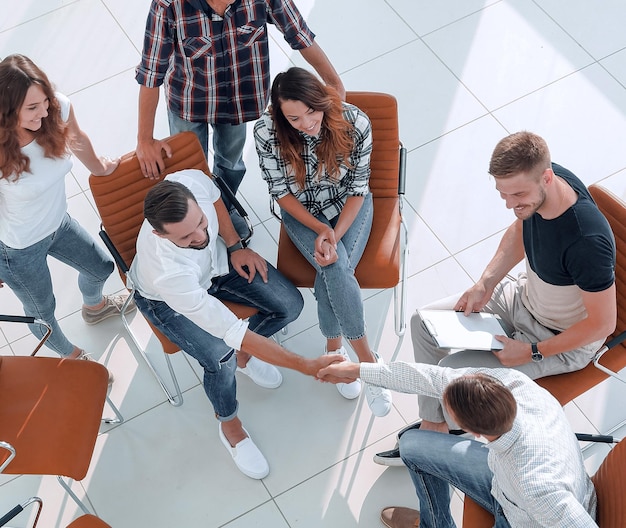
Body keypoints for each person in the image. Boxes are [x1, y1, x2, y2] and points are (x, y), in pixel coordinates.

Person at [375, 130, 616, 464]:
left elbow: (603, 323)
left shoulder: (586, 242)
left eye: (517, 194)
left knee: (450, 376)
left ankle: (435, 435)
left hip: (556, 339)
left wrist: (532, 351)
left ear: (546, 177)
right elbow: (521, 227)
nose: (509, 203)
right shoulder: (541, 185)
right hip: (521, 299)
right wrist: (486, 283)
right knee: (423, 324)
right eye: (503, 194)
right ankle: (436, 428)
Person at [128, 168, 340, 479]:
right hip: (166, 301)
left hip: (217, 264)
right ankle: (230, 425)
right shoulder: (168, 274)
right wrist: (306, 365)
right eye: (186, 237)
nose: (200, 237)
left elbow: (215, 200)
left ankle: (246, 355)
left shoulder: (189, 182)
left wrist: (234, 245)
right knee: (220, 357)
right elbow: (232, 331)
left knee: (290, 305)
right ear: (160, 234)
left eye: (200, 224)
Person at [134, 0, 346, 233]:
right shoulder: (168, 5)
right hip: (189, 100)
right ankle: (198, 219)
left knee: (231, 163)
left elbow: (299, 35)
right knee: (189, 169)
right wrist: (145, 139)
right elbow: (151, 74)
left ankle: (224, 208)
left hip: (238, 100)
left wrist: (334, 83)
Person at [253, 67, 393, 417]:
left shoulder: (355, 122)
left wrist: (334, 235)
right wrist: (319, 228)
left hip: (350, 208)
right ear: (280, 115)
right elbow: (282, 194)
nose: (306, 122)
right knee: (335, 266)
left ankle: (335, 350)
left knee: (333, 264)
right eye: (294, 117)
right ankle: (368, 363)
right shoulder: (265, 132)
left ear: (323, 100)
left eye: (312, 111)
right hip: (302, 214)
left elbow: (359, 189)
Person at [318, 360, 598, 527]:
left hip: (526, 517)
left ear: (469, 431)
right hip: (505, 484)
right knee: (413, 447)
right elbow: (431, 378)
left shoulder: (536, 486)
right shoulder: (515, 384)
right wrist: (357, 370)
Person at [0, 54, 134, 368]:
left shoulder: (56, 109)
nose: (44, 112)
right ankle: (71, 356)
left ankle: (95, 307)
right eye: (32, 108)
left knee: (101, 268)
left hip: (58, 223)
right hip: (18, 248)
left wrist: (101, 168)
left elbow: (78, 139)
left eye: (44, 101)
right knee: (42, 312)